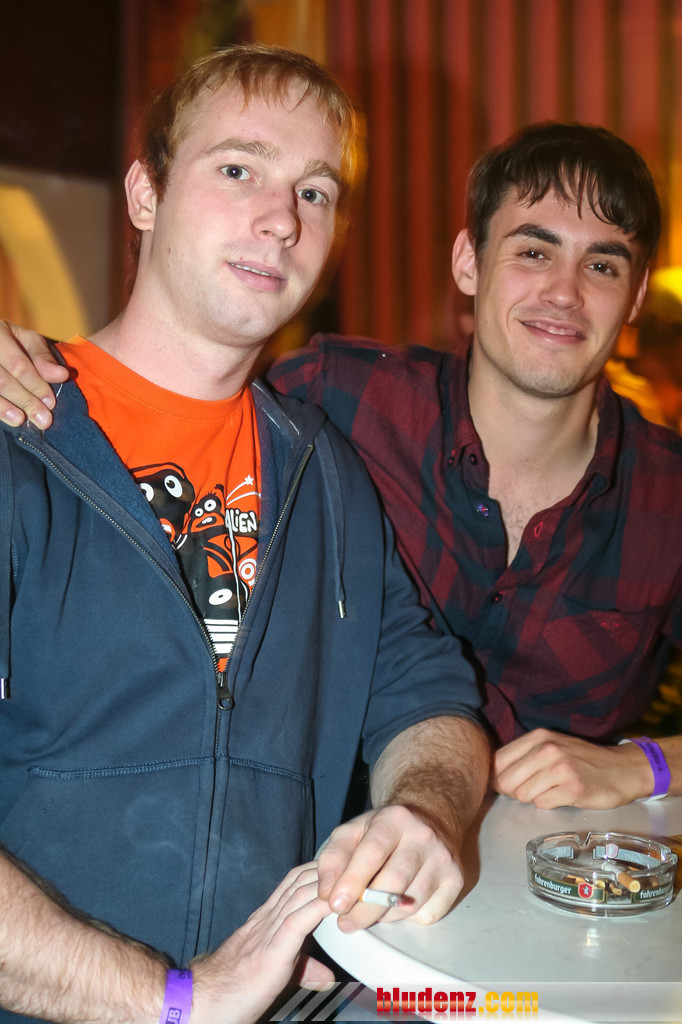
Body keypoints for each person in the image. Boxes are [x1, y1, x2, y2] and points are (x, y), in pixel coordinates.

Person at [0, 45, 489, 1024]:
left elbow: (429, 696)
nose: (282, 218)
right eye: (238, 169)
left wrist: (422, 811)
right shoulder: (20, 435)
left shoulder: (328, 474)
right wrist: (178, 999)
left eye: (315, 191)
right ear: (145, 195)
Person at [4, 122, 681, 813]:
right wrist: (31, 365)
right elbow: (166, 396)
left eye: (603, 266)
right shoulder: (339, 399)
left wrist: (647, 764)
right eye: (534, 252)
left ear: (634, 297)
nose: (564, 293)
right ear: (469, 263)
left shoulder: (668, 493)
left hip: (560, 867)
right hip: (332, 852)